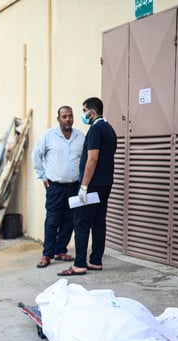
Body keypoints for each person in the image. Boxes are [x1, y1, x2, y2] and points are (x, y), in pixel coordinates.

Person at [59, 97, 118, 276]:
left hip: (92, 185)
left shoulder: (95, 129)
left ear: (92, 112)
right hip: (106, 183)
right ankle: (95, 261)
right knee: (99, 222)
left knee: (82, 222)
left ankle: (79, 264)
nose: (83, 115)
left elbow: (92, 159)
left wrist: (84, 186)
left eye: (84, 111)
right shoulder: (110, 129)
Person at [32, 105, 84, 268]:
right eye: (64, 116)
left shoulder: (80, 136)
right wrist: (42, 176)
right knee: (52, 220)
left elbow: (85, 159)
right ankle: (47, 254)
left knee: (70, 219)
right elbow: (36, 156)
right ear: (58, 119)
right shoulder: (49, 135)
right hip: (55, 187)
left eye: (70, 116)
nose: (68, 119)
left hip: (75, 186)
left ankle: (61, 250)